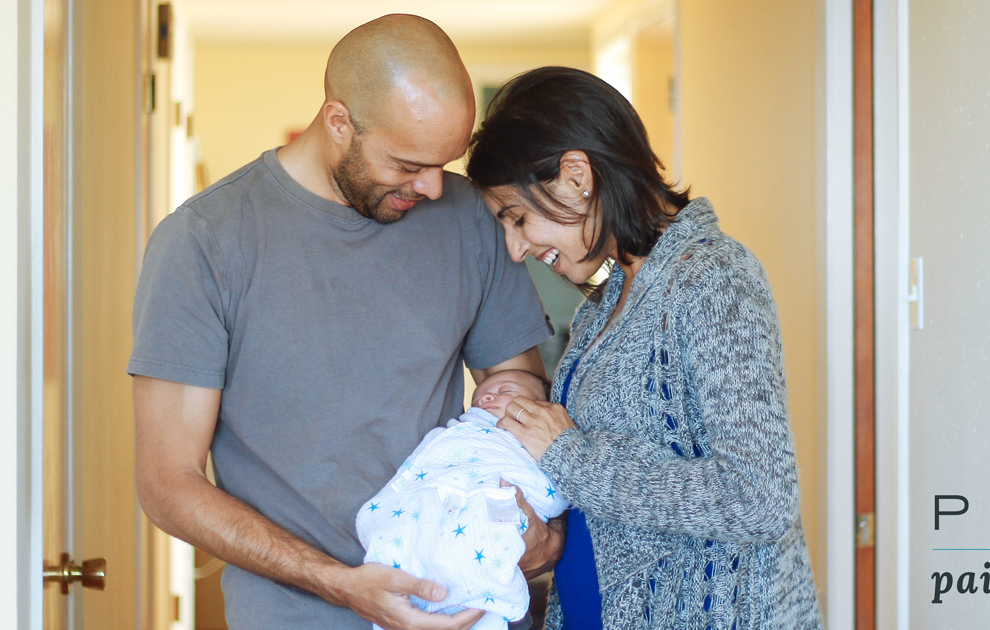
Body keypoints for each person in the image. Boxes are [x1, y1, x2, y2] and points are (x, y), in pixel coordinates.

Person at [129, 15, 564, 630]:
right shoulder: (205, 242)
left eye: (444, 163)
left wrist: (547, 535)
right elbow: (167, 483)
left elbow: (524, 409)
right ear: (339, 122)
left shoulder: (469, 218)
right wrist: (338, 584)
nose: (433, 188)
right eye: (407, 163)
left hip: (461, 607)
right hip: (295, 617)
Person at [465, 66, 824, 629]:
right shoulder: (604, 305)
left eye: (519, 218)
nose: (516, 248)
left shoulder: (714, 278)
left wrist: (569, 456)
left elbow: (759, 498)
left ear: (576, 175)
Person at [357, 370, 569, 630]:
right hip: (433, 515)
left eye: (505, 391)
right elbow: (429, 468)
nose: (485, 397)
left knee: (481, 583)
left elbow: (552, 490)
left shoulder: (536, 447)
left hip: (490, 514)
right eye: (478, 397)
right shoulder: (457, 433)